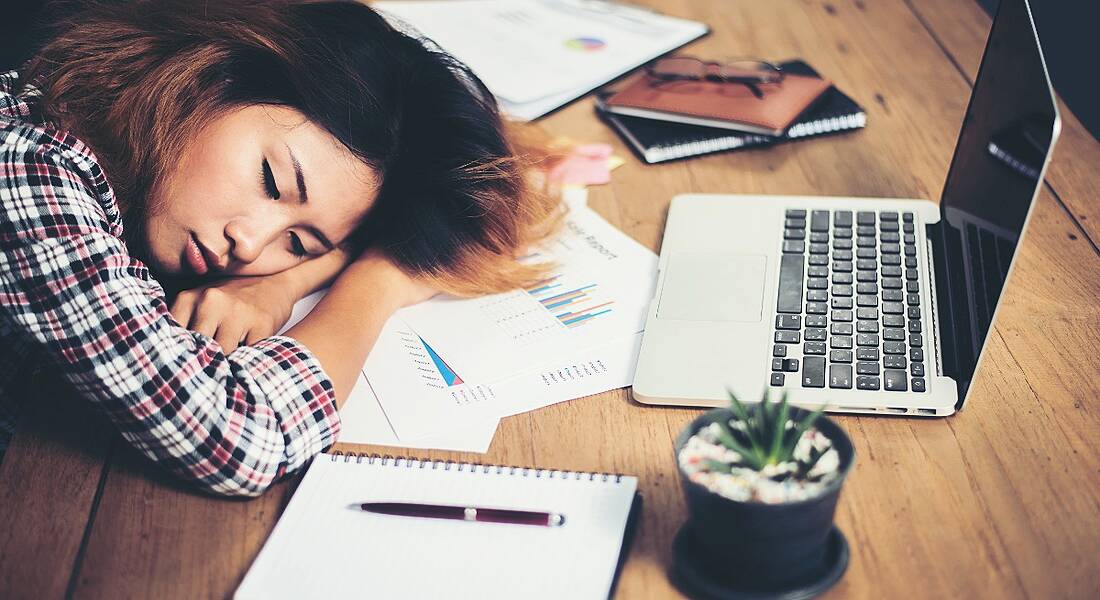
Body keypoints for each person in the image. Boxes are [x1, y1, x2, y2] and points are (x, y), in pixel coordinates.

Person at [0, 0, 560, 496]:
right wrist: (383, 278)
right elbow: (233, 439)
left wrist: (281, 282)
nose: (248, 245)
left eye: (296, 242)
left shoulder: (130, 164)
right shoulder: (27, 168)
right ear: (210, 81)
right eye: (271, 180)